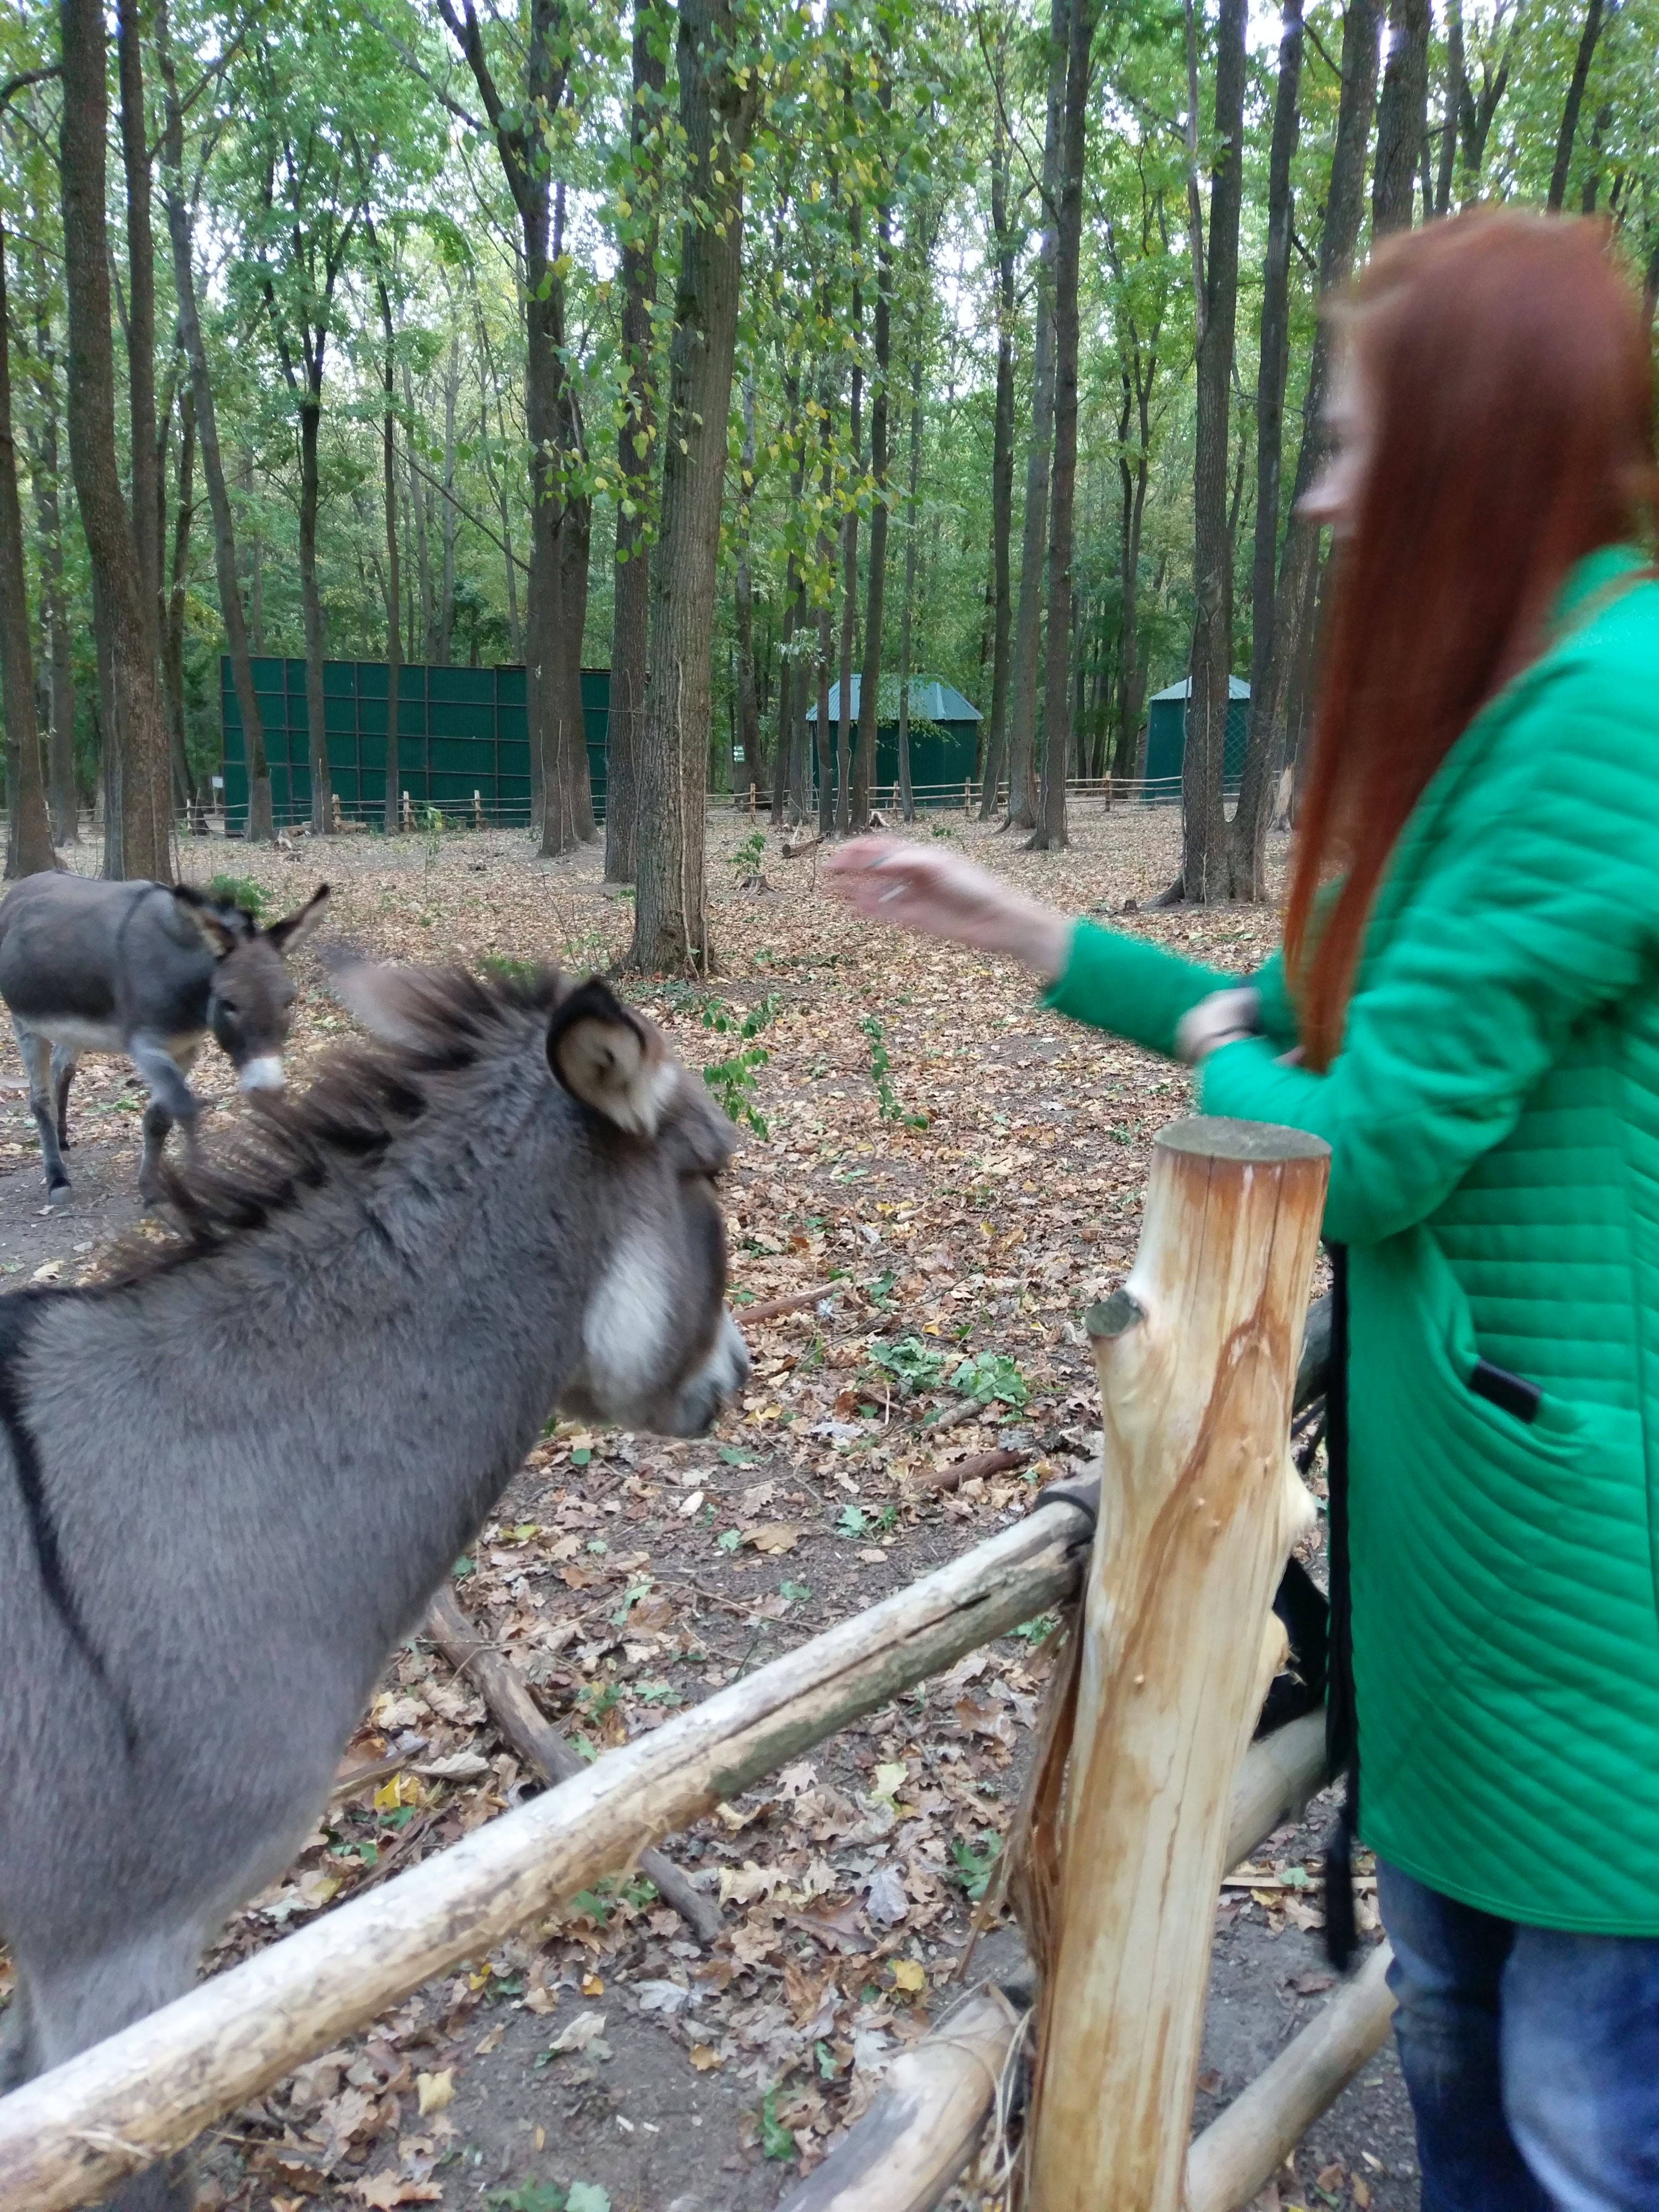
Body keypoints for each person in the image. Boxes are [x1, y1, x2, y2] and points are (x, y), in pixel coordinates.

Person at [828, 208, 1659, 2212]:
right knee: (1477, 2098)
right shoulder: (1527, 702)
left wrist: (1223, 1060)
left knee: (1577, 2136)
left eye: (1359, 444)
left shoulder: (1605, 716)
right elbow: (1313, 1007)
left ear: (1474, 452)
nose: (1323, 498)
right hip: (1496, 1598)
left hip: (1588, 1618)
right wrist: (1030, 932)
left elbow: (1366, 1138)